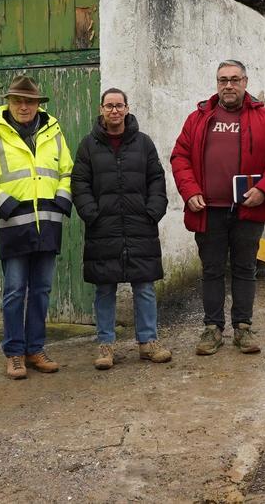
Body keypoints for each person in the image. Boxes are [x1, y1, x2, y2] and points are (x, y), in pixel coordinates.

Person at [171, 60, 265, 355]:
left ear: (245, 82)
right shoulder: (198, 118)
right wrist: (190, 191)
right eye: (223, 80)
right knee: (211, 269)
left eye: (235, 79)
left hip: (249, 209)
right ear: (217, 83)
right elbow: (180, 157)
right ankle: (212, 329)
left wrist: (264, 190)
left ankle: (243, 329)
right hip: (209, 210)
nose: (229, 85)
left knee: (246, 268)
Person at [0, 75, 73, 380]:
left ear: (37, 104)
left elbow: (67, 171)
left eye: (29, 101)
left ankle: (36, 349)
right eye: (18, 101)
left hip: (48, 223)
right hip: (14, 225)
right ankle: (15, 353)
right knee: (15, 291)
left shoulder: (53, 132)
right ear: (8, 103)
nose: (23, 107)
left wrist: (60, 201)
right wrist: (8, 206)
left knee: (42, 291)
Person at [72, 88, 171, 370]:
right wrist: (92, 214)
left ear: (127, 108)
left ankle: (148, 342)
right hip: (103, 227)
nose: (114, 110)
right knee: (105, 288)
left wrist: (153, 211)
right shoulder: (88, 145)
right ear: (101, 109)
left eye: (119, 105)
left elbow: (156, 178)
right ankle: (105, 345)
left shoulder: (143, 143)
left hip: (140, 225)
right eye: (109, 106)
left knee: (144, 286)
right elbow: (79, 183)